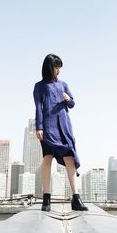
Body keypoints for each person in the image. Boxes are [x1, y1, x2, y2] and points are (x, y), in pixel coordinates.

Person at [33, 54, 88, 211]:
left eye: (60, 68)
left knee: (69, 156)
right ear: (50, 68)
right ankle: (46, 199)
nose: (59, 71)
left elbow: (72, 103)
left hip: (64, 126)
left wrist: (67, 99)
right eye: (57, 67)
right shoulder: (39, 86)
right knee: (48, 159)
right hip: (48, 128)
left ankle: (76, 198)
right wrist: (39, 127)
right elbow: (38, 107)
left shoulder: (63, 84)